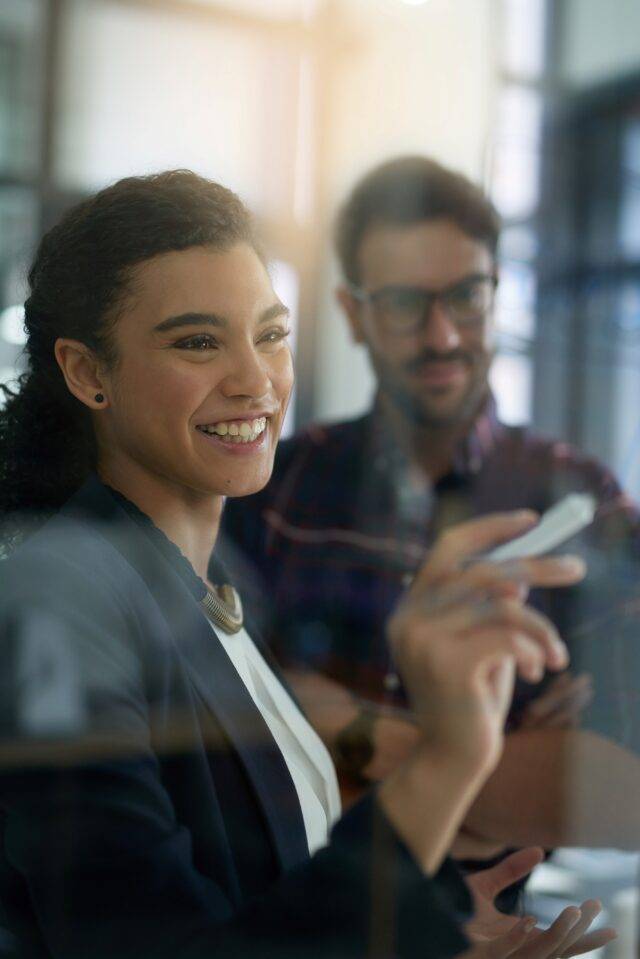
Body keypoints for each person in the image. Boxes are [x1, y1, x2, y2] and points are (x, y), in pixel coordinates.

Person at [0, 171, 613, 959]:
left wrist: (420, 933)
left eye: (270, 333)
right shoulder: (57, 606)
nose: (255, 381)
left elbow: (263, 904)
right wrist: (449, 755)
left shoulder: (221, 583)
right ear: (88, 372)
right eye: (197, 341)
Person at [220, 155, 640, 854]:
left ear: (497, 293)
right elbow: (221, 745)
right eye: (407, 304)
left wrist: (348, 728)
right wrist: (484, 756)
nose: (443, 335)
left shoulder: (583, 502)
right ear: (354, 313)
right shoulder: (271, 488)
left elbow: (626, 790)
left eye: (467, 296)